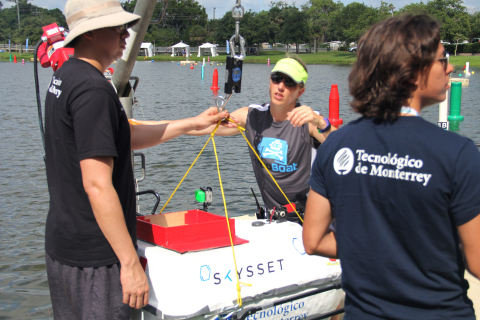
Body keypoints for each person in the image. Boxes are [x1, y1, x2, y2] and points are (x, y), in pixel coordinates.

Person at [43, 0, 231, 319]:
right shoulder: (93, 90)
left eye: (127, 28)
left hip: (65, 245)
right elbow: (97, 185)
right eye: (118, 28)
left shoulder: (68, 76)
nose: (126, 36)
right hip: (96, 258)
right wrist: (130, 264)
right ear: (89, 34)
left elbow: (120, 137)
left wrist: (191, 125)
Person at [303, 14, 480, 319]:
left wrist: (374, 252)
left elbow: (313, 240)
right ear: (412, 73)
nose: (450, 67)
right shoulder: (457, 152)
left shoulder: (334, 144)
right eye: (443, 59)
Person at [136, 56, 335, 219]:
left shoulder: (308, 120)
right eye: (276, 78)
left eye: (289, 82)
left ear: (301, 90)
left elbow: (346, 149)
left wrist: (321, 122)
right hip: (272, 217)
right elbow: (196, 127)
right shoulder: (252, 116)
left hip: (309, 216)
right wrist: (139, 125)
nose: (281, 86)